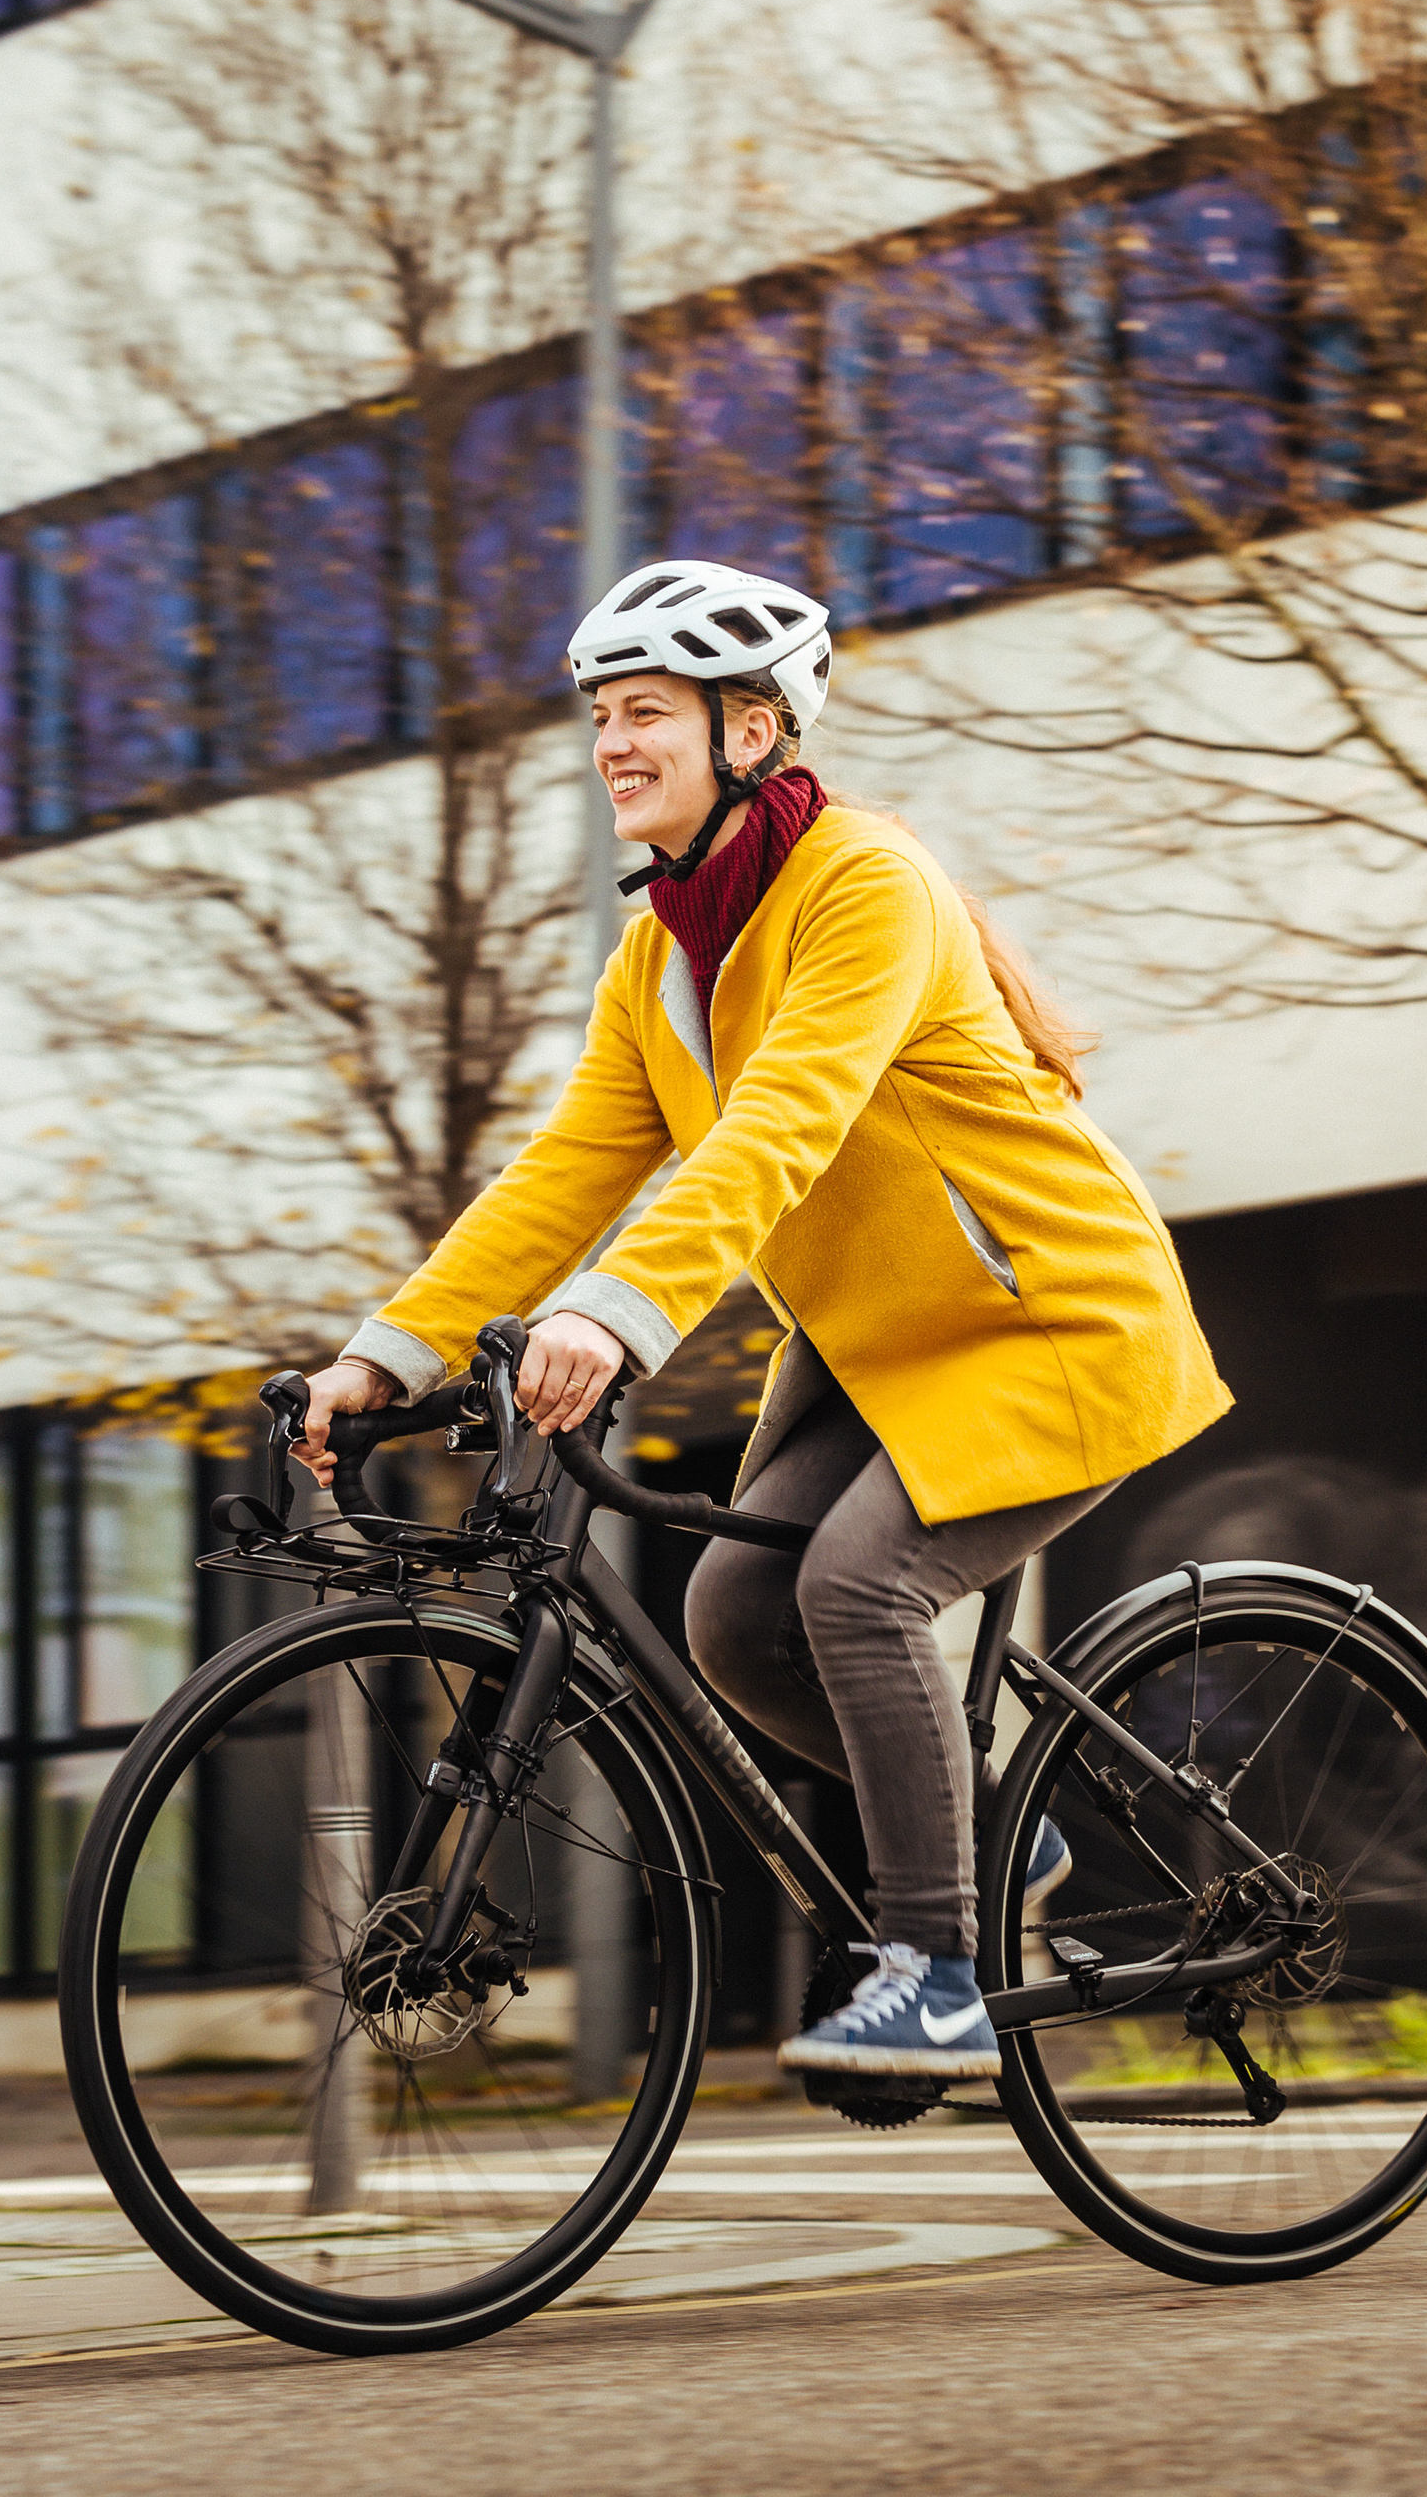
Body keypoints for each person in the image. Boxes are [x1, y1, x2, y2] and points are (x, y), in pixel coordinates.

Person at [293, 558, 1233, 2083]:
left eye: (646, 711)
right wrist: (385, 1351)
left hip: (1048, 1322)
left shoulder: (867, 885)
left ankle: (935, 1973)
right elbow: (566, 1168)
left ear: (751, 729)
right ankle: (1001, 1830)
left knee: (858, 1590)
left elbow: (780, 1126)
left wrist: (617, 1314)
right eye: (603, 716)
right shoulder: (662, 955)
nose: (613, 743)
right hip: (881, 1352)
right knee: (734, 1617)